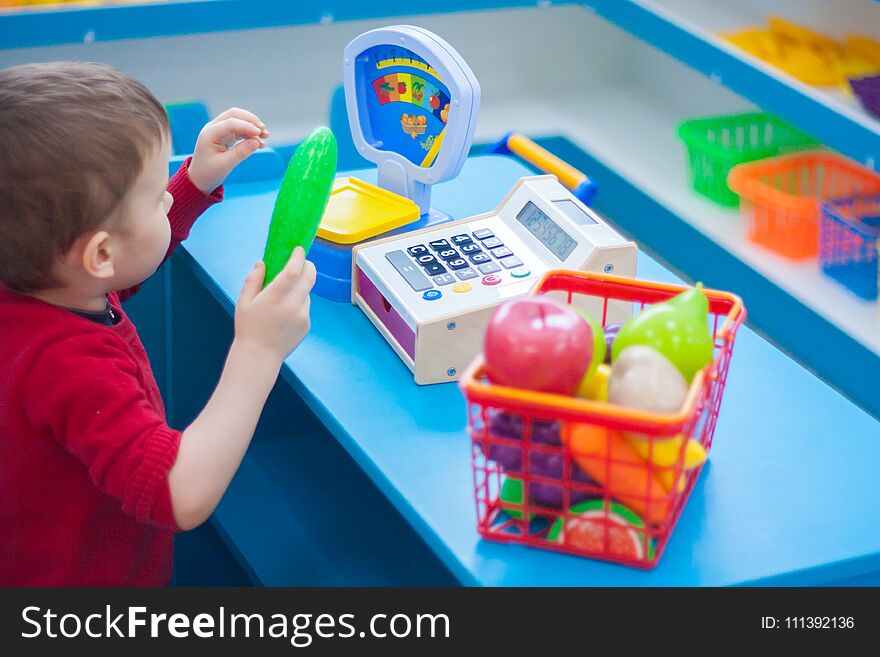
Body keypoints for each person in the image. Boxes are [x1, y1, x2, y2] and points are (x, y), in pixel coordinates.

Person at [0, 62, 316, 585]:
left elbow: (116, 269)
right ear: (99, 252)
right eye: (156, 196)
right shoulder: (69, 366)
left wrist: (192, 182)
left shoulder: (40, 289)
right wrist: (257, 351)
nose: (167, 197)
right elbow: (179, 493)